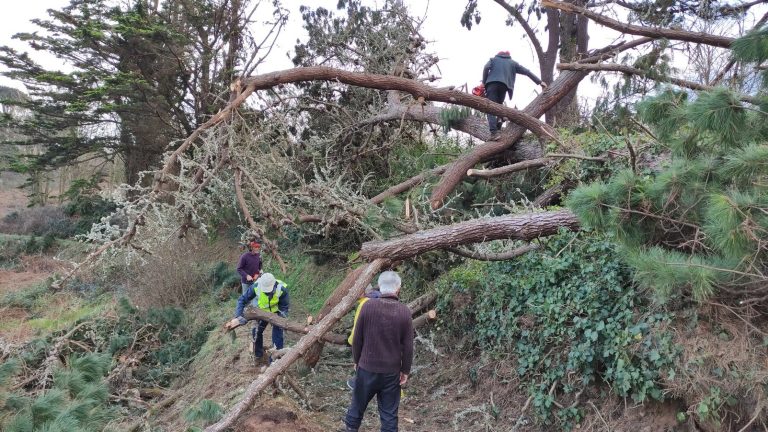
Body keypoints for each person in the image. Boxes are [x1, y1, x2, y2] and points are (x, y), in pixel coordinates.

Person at [343, 271, 414, 432]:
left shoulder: (367, 306)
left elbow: (357, 339)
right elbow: (408, 346)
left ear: (380, 287)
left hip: (366, 368)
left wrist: (357, 361)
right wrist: (405, 371)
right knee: (389, 414)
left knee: (357, 405)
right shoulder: (404, 312)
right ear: (398, 288)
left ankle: (350, 429)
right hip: (391, 372)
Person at [225, 273, 290, 364]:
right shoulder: (256, 286)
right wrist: (238, 316)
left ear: (274, 285)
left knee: (278, 334)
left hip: (276, 313)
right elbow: (242, 300)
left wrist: (279, 318)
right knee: (256, 331)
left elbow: (284, 307)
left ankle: (275, 360)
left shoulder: (281, 289)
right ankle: (258, 355)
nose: (267, 293)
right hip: (261, 312)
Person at [482, 51, 547, 140]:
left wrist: (484, 82)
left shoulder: (493, 60)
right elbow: (527, 72)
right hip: (504, 86)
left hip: (491, 85)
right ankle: (499, 123)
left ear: (498, 54)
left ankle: (494, 133)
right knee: (498, 107)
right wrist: (539, 82)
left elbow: (486, 67)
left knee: (490, 108)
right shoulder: (512, 63)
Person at [346, 284, 381, 390]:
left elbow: (357, 328)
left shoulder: (364, 304)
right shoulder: (380, 299)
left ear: (363, 292)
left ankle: (361, 384)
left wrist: (350, 341)